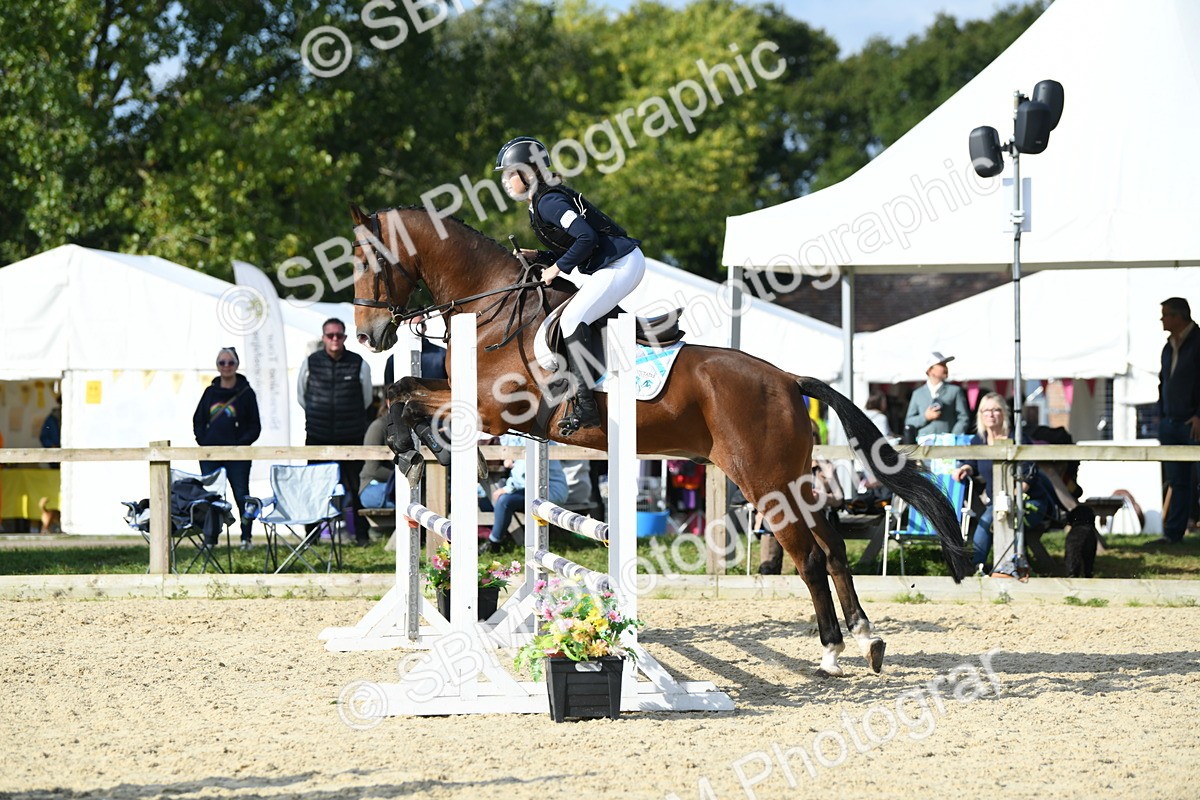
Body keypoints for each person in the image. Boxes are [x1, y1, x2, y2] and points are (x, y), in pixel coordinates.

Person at [494, 136, 645, 434]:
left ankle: (586, 406)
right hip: (613, 264)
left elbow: (587, 237)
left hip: (622, 263)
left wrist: (556, 269)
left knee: (574, 317)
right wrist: (538, 256)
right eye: (505, 175)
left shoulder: (549, 201)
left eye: (511, 173)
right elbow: (572, 246)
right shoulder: (538, 203)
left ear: (531, 172)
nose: (506, 181)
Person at [953, 392, 1054, 571]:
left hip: (1029, 502)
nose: (990, 414)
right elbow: (972, 462)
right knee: (989, 516)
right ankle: (985, 567)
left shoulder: (1018, 438)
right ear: (980, 415)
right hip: (998, 502)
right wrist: (965, 468)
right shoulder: (979, 440)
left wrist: (1016, 494)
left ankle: (974, 568)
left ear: (1004, 413)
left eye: (995, 410)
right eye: (985, 410)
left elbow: (1030, 471)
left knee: (989, 516)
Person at [297, 318, 372, 546]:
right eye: (330, 335)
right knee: (314, 486)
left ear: (345, 337)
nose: (335, 339)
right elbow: (302, 396)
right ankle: (312, 536)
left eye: (339, 335)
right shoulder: (310, 362)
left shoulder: (359, 363)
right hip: (318, 436)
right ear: (323, 338)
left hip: (351, 436)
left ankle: (361, 535)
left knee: (356, 488)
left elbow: (366, 399)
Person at [192, 347, 261, 549]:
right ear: (217, 366)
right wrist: (204, 441)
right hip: (211, 454)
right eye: (222, 363)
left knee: (241, 495)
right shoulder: (210, 392)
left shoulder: (246, 393)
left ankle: (246, 537)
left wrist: (240, 444)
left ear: (237, 365)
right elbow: (198, 420)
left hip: (238, 456)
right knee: (211, 496)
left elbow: (255, 426)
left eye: (230, 362)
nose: (226, 366)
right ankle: (211, 538)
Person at [1155, 297, 1200, 544]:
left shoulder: (1198, 342)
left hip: (1192, 423)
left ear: (1179, 316)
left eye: (1166, 315)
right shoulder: (1167, 346)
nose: (1162, 320)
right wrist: (1162, 416)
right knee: (1177, 481)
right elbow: (1164, 383)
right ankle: (1173, 534)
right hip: (1171, 423)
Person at [479, 433, 569, 554]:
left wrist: (507, 488)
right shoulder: (517, 433)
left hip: (550, 490)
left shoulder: (529, 435)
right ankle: (501, 535)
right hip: (535, 488)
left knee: (504, 500)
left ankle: (494, 543)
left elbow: (524, 473)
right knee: (486, 501)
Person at [905, 352, 969, 440]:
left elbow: (963, 417)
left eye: (945, 364)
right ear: (930, 370)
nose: (946, 368)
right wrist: (925, 417)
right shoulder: (918, 393)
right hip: (924, 447)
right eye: (941, 365)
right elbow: (909, 421)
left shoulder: (955, 391)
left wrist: (953, 437)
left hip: (947, 446)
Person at [359, 399, 394, 510]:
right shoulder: (378, 426)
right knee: (415, 501)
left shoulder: (411, 426)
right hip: (372, 486)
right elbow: (373, 470)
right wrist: (403, 478)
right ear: (388, 402)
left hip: (395, 484)